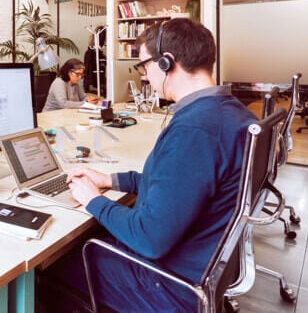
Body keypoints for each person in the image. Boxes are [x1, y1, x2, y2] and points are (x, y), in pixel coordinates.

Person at [44, 19, 256, 311]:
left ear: (167, 63)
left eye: (144, 65)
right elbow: (179, 186)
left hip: (168, 283)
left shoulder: (195, 130)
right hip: (198, 262)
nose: (145, 76)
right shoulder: (232, 113)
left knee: (49, 263)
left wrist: (93, 200)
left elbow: (149, 239)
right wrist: (110, 180)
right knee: (96, 233)